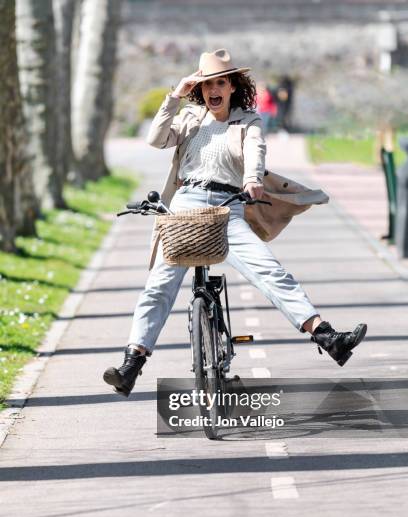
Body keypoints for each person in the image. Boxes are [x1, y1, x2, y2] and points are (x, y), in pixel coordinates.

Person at [103, 48, 367, 397]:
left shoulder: (248, 121)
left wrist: (253, 179)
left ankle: (326, 336)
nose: (214, 89)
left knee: (269, 269)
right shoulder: (190, 118)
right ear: (199, 88)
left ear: (231, 86)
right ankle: (131, 363)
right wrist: (175, 96)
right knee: (158, 286)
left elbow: (256, 151)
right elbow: (156, 139)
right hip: (186, 205)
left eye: (221, 82)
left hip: (230, 205)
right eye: (207, 83)